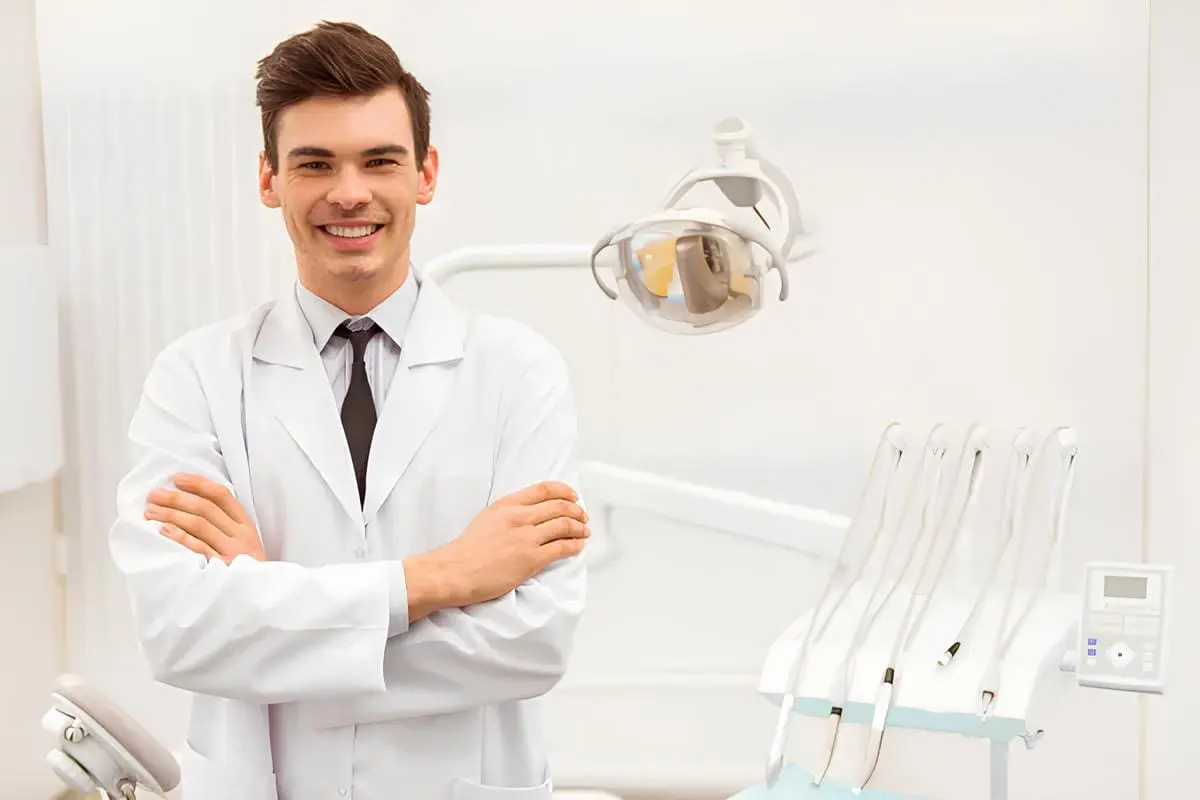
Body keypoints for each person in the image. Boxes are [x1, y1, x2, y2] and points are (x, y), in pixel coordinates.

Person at [108, 20, 590, 800]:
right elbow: (180, 631)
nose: (349, 192)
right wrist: (444, 577)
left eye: (379, 160)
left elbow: (534, 641)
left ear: (425, 174)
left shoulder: (518, 373)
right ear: (269, 179)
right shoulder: (194, 377)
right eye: (314, 163)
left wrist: (272, 613)